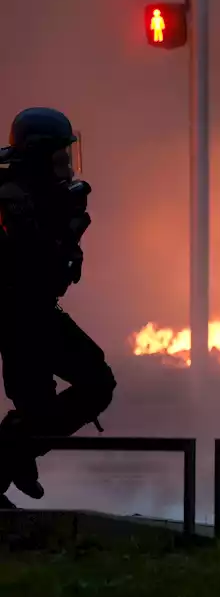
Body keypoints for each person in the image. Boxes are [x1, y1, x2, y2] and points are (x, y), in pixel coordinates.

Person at [0, 108, 115, 508]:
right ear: (37, 156)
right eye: (59, 158)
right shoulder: (13, 200)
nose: (67, 167)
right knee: (55, 404)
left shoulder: (42, 196)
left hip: (34, 313)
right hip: (17, 316)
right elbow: (29, 262)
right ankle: (11, 452)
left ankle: (14, 450)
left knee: (90, 386)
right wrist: (60, 231)